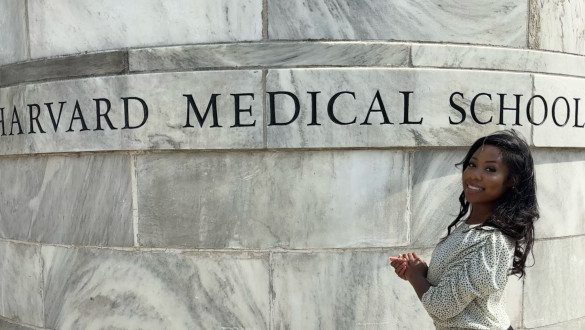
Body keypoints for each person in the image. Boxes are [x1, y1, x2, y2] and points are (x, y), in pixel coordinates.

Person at [389, 130, 539, 330]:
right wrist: (422, 273)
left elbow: (442, 308)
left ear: (511, 181)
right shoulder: (471, 227)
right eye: (472, 164)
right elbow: (453, 290)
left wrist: (415, 277)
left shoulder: (492, 240)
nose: (475, 175)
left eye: (490, 169)